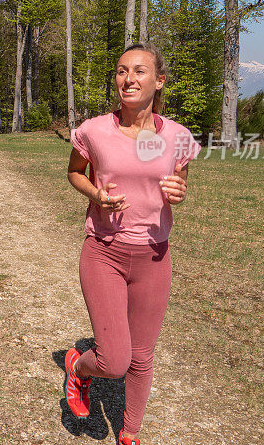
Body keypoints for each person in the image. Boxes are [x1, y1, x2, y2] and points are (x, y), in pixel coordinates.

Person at [62, 44, 201, 445]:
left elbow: (180, 182)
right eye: (122, 71)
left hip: (154, 256)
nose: (129, 79)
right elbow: (75, 172)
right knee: (115, 359)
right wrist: (96, 194)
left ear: (159, 81)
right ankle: (79, 369)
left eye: (139, 71)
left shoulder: (177, 136)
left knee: (141, 357)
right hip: (104, 251)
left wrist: (180, 191)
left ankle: (131, 434)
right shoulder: (93, 130)